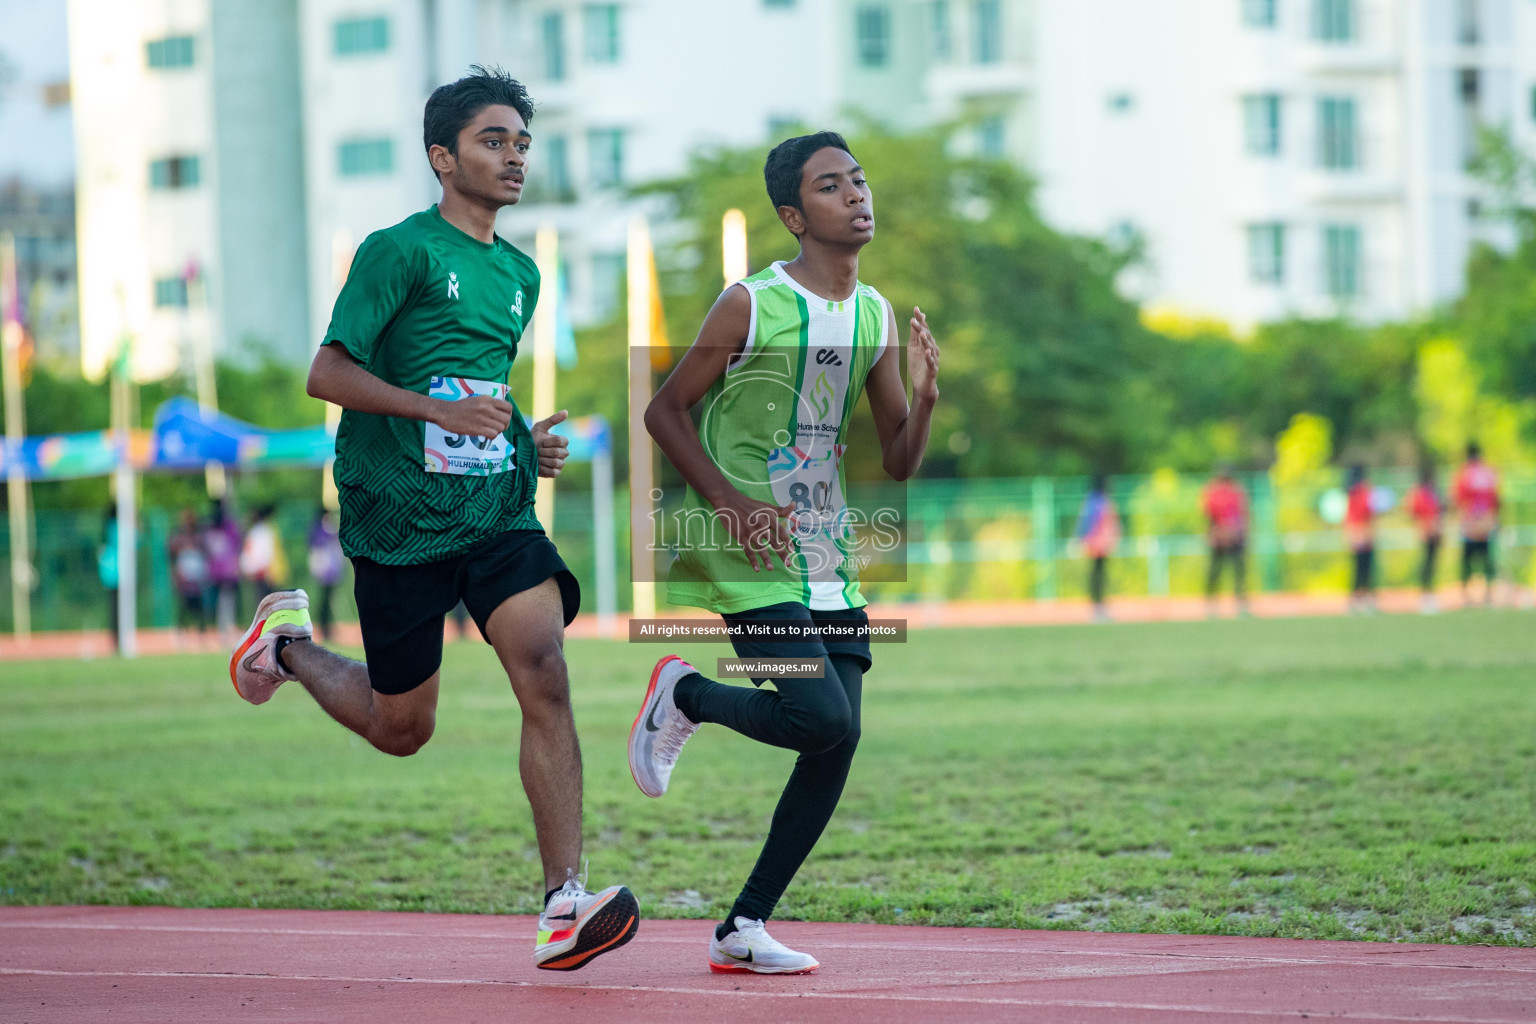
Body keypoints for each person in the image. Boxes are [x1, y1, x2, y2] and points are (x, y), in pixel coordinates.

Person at [226, 67, 636, 972]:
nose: (515, 156)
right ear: (442, 157)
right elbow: (327, 374)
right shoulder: (397, 250)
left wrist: (522, 441)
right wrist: (432, 411)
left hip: (493, 507)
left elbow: (476, 394)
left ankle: (563, 900)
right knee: (402, 728)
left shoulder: (521, 274)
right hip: (396, 511)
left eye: (523, 142)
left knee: (545, 668)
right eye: (495, 140)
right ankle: (287, 644)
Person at [632, 132, 939, 974]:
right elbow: (664, 411)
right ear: (794, 216)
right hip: (747, 547)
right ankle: (683, 691)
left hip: (824, 549)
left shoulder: (872, 313)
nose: (857, 196)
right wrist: (729, 506)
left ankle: (742, 927)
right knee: (820, 716)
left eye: (860, 181)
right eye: (832, 187)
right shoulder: (750, 304)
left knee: (836, 740)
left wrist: (924, 399)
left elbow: (900, 460)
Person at [1454, 442, 1500, 607]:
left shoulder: (1464, 473)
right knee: (1487, 558)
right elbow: (1496, 499)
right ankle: (1488, 594)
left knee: (1467, 560)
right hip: (1487, 521)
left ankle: (1467, 596)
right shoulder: (1489, 472)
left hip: (1470, 523)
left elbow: (1459, 499)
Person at [1202, 466, 1249, 616]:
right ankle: (1211, 605)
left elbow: (1243, 514)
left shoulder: (1236, 491)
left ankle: (1240, 604)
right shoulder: (1213, 491)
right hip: (1220, 538)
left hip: (1235, 537)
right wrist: (1216, 534)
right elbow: (1210, 516)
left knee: (1238, 572)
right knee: (1215, 572)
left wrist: (1240, 533)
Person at [1076, 475, 1120, 623]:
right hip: (1100, 544)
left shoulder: (1092, 500)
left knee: (1096, 575)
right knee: (1098, 575)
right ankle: (1098, 607)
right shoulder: (1102, 501)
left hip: (1095, 544)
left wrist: (1082, 539)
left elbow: (1084, 522)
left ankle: (1098, 607)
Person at [1406, 466, 1444, 614]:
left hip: (1434, 531)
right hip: (1426, 532)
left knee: (1432, 563)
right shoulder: (1421, 492)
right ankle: (1424, 594)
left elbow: (1440, 511)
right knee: (1426, 564)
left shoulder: (1433, 491)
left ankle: (1430, 593)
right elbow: (1414, 511)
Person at [202, 500, 242, 638]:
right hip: (223, 571)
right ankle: (223, 630)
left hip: (219, 571)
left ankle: (224, 630)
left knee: (224, 601)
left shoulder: (213, 527)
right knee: (224, 602)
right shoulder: (225, 527)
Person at [306, 507, 344, 641]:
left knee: (327, 600)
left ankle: (326, 628)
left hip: (330, 571)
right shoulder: (321, 530)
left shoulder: (327, 529)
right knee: (324, 600)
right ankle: (324, 628)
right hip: (324, 571)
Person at [169, 509, 209, 634]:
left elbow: (205, 553)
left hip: (196, 576)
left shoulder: (198, 536)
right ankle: (181, 629)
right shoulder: (179, 537)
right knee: (184, 605)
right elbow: (172, 553)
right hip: (185, 576)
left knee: (199, 605)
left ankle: (201, 631)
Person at [239, 505, 287, 605]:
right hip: (265, 570)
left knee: (263, 599)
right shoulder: (265, 530)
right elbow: (266, 552)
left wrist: (249, 568)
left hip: (262, 570)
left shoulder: (256, 531)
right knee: (269, 599)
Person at [1344, 464, 1375, 613]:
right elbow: (1368, 511)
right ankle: (1360, 600)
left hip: (1357, 533)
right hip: (1362, 533)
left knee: (1360, 569)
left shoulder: (1352, 492)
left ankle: (1359, 599)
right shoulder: (1362, 492)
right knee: (1363, 569)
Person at [98, 504, 120, 652]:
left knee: (114, 608)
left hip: (108, 574)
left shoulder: (105, 529)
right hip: (119, 572)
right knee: (119, 608)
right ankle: (119, 638)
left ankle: (115, 639)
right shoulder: (118, 528)